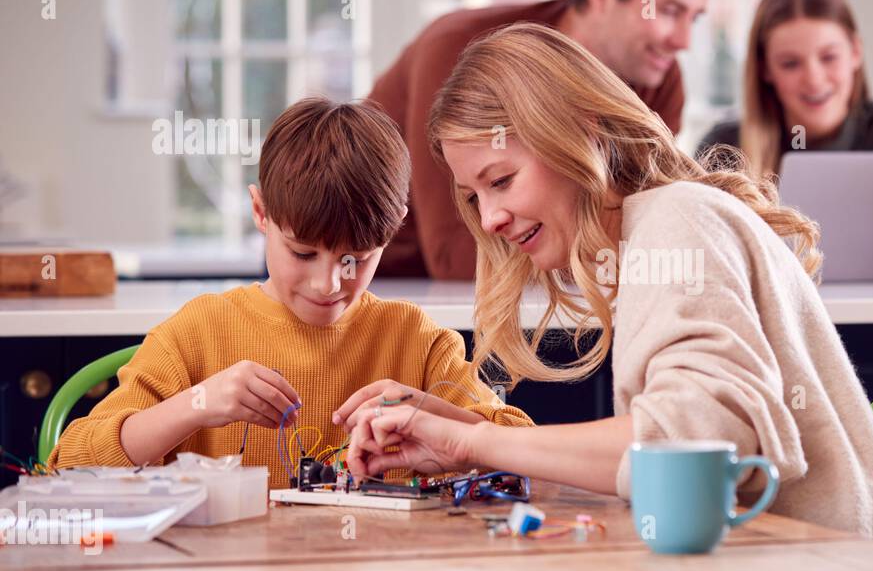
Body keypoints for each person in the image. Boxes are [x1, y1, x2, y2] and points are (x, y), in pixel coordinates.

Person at [338, 23, 873, 552]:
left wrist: (475, 443)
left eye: (502, 180)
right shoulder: (647, 238)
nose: (490, 218)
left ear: (583, 134)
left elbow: (693, 442)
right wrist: (463, 436)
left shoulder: (675, 221)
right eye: (475, 196)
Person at [49, 98, 530, 485]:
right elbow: (67, 465)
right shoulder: (197, 334)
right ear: (260, 213)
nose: (328, 284)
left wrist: (437, 416)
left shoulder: (417, 341)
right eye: (302, 254)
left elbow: (525, 451)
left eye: (355, 260)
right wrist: (196, 404)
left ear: (395, 228)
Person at [369, 0, 714, 279]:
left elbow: (641, 217)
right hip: (388, 288)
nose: (683, 41)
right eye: (668, 11)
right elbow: (456, 261)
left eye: (692, 18)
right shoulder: (458, 52)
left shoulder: (658, 79)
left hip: (552, 289)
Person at [698, 0, 873, 179]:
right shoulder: (724, 147)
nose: (813, 79)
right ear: (765, 69)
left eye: (829, 57)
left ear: (856, 52)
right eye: (790, 64)